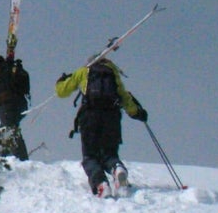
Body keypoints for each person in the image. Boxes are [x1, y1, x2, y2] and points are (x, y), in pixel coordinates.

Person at [55, 56, 148, 197]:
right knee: (109, 153)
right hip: (112, 117)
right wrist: (137, 113)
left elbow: (61, 91)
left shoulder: (84, 71)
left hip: (90, 116)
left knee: (90, 156)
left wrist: (61, 80)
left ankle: (100, 183)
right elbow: (124, 97)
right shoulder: (113, 74)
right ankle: (116, 168)